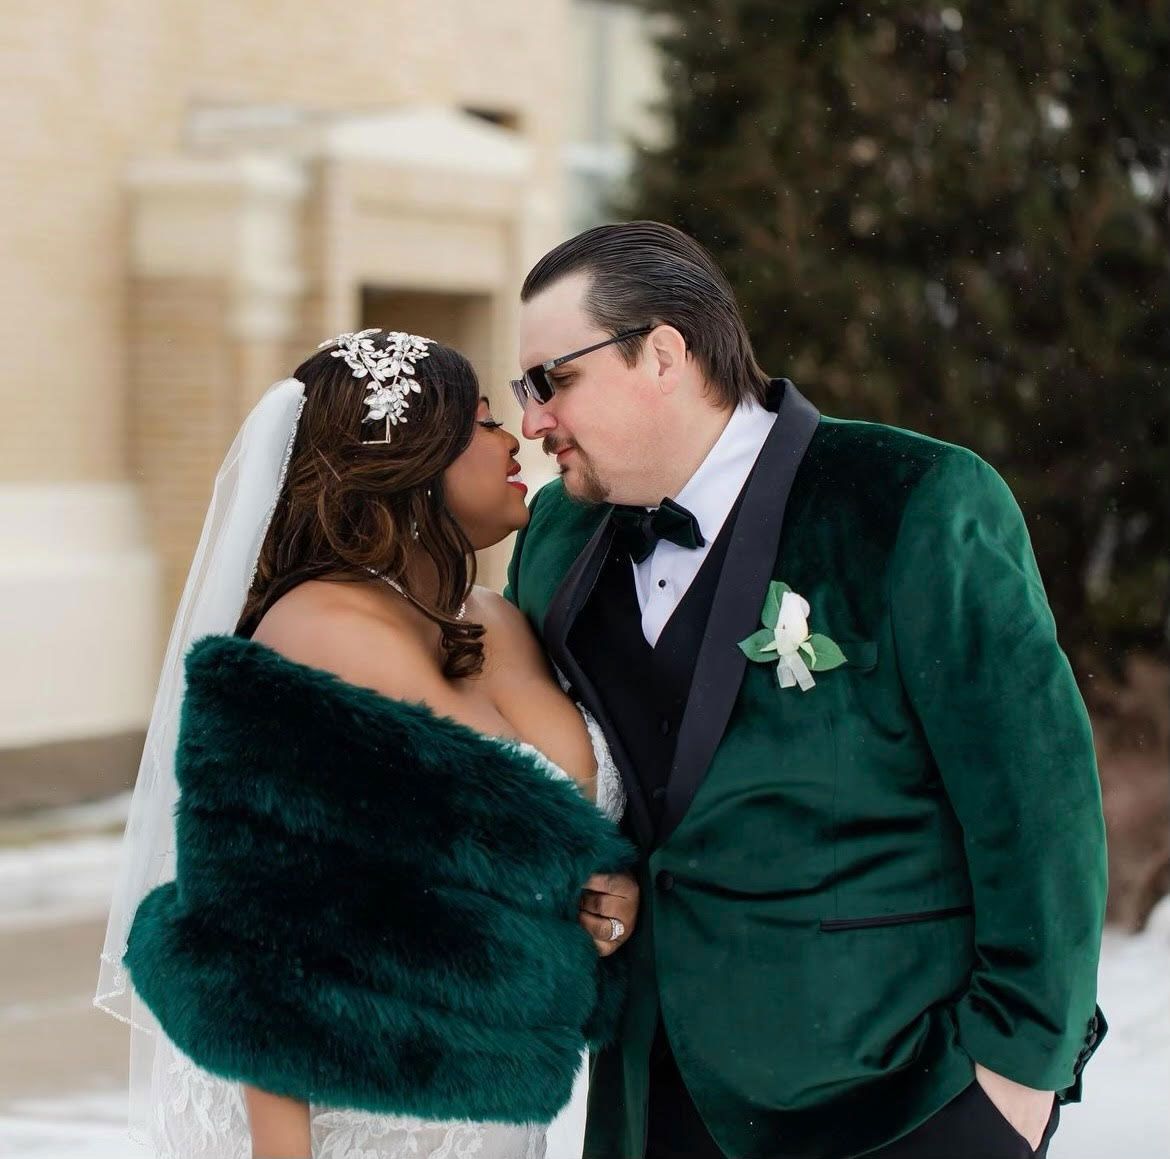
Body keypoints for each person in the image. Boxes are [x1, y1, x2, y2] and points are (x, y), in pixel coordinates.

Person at [504, 222, 1109, 1159]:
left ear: (662, 354)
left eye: (552, 380)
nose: (533, 419)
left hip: (898, 1100)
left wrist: (1018, 1080)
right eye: (522, 390)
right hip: (646, 1104)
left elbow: (1039, 809)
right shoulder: (554, 541)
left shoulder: (914, 499)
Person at [94, 330, 640, 1159]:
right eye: (485, 422)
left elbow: (545, 842)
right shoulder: (317, 626)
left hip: (499, 1102)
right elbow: (259, 929)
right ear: (412, 459)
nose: (512, 441)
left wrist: (608, 895)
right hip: (359, 1113)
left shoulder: (497, 619)